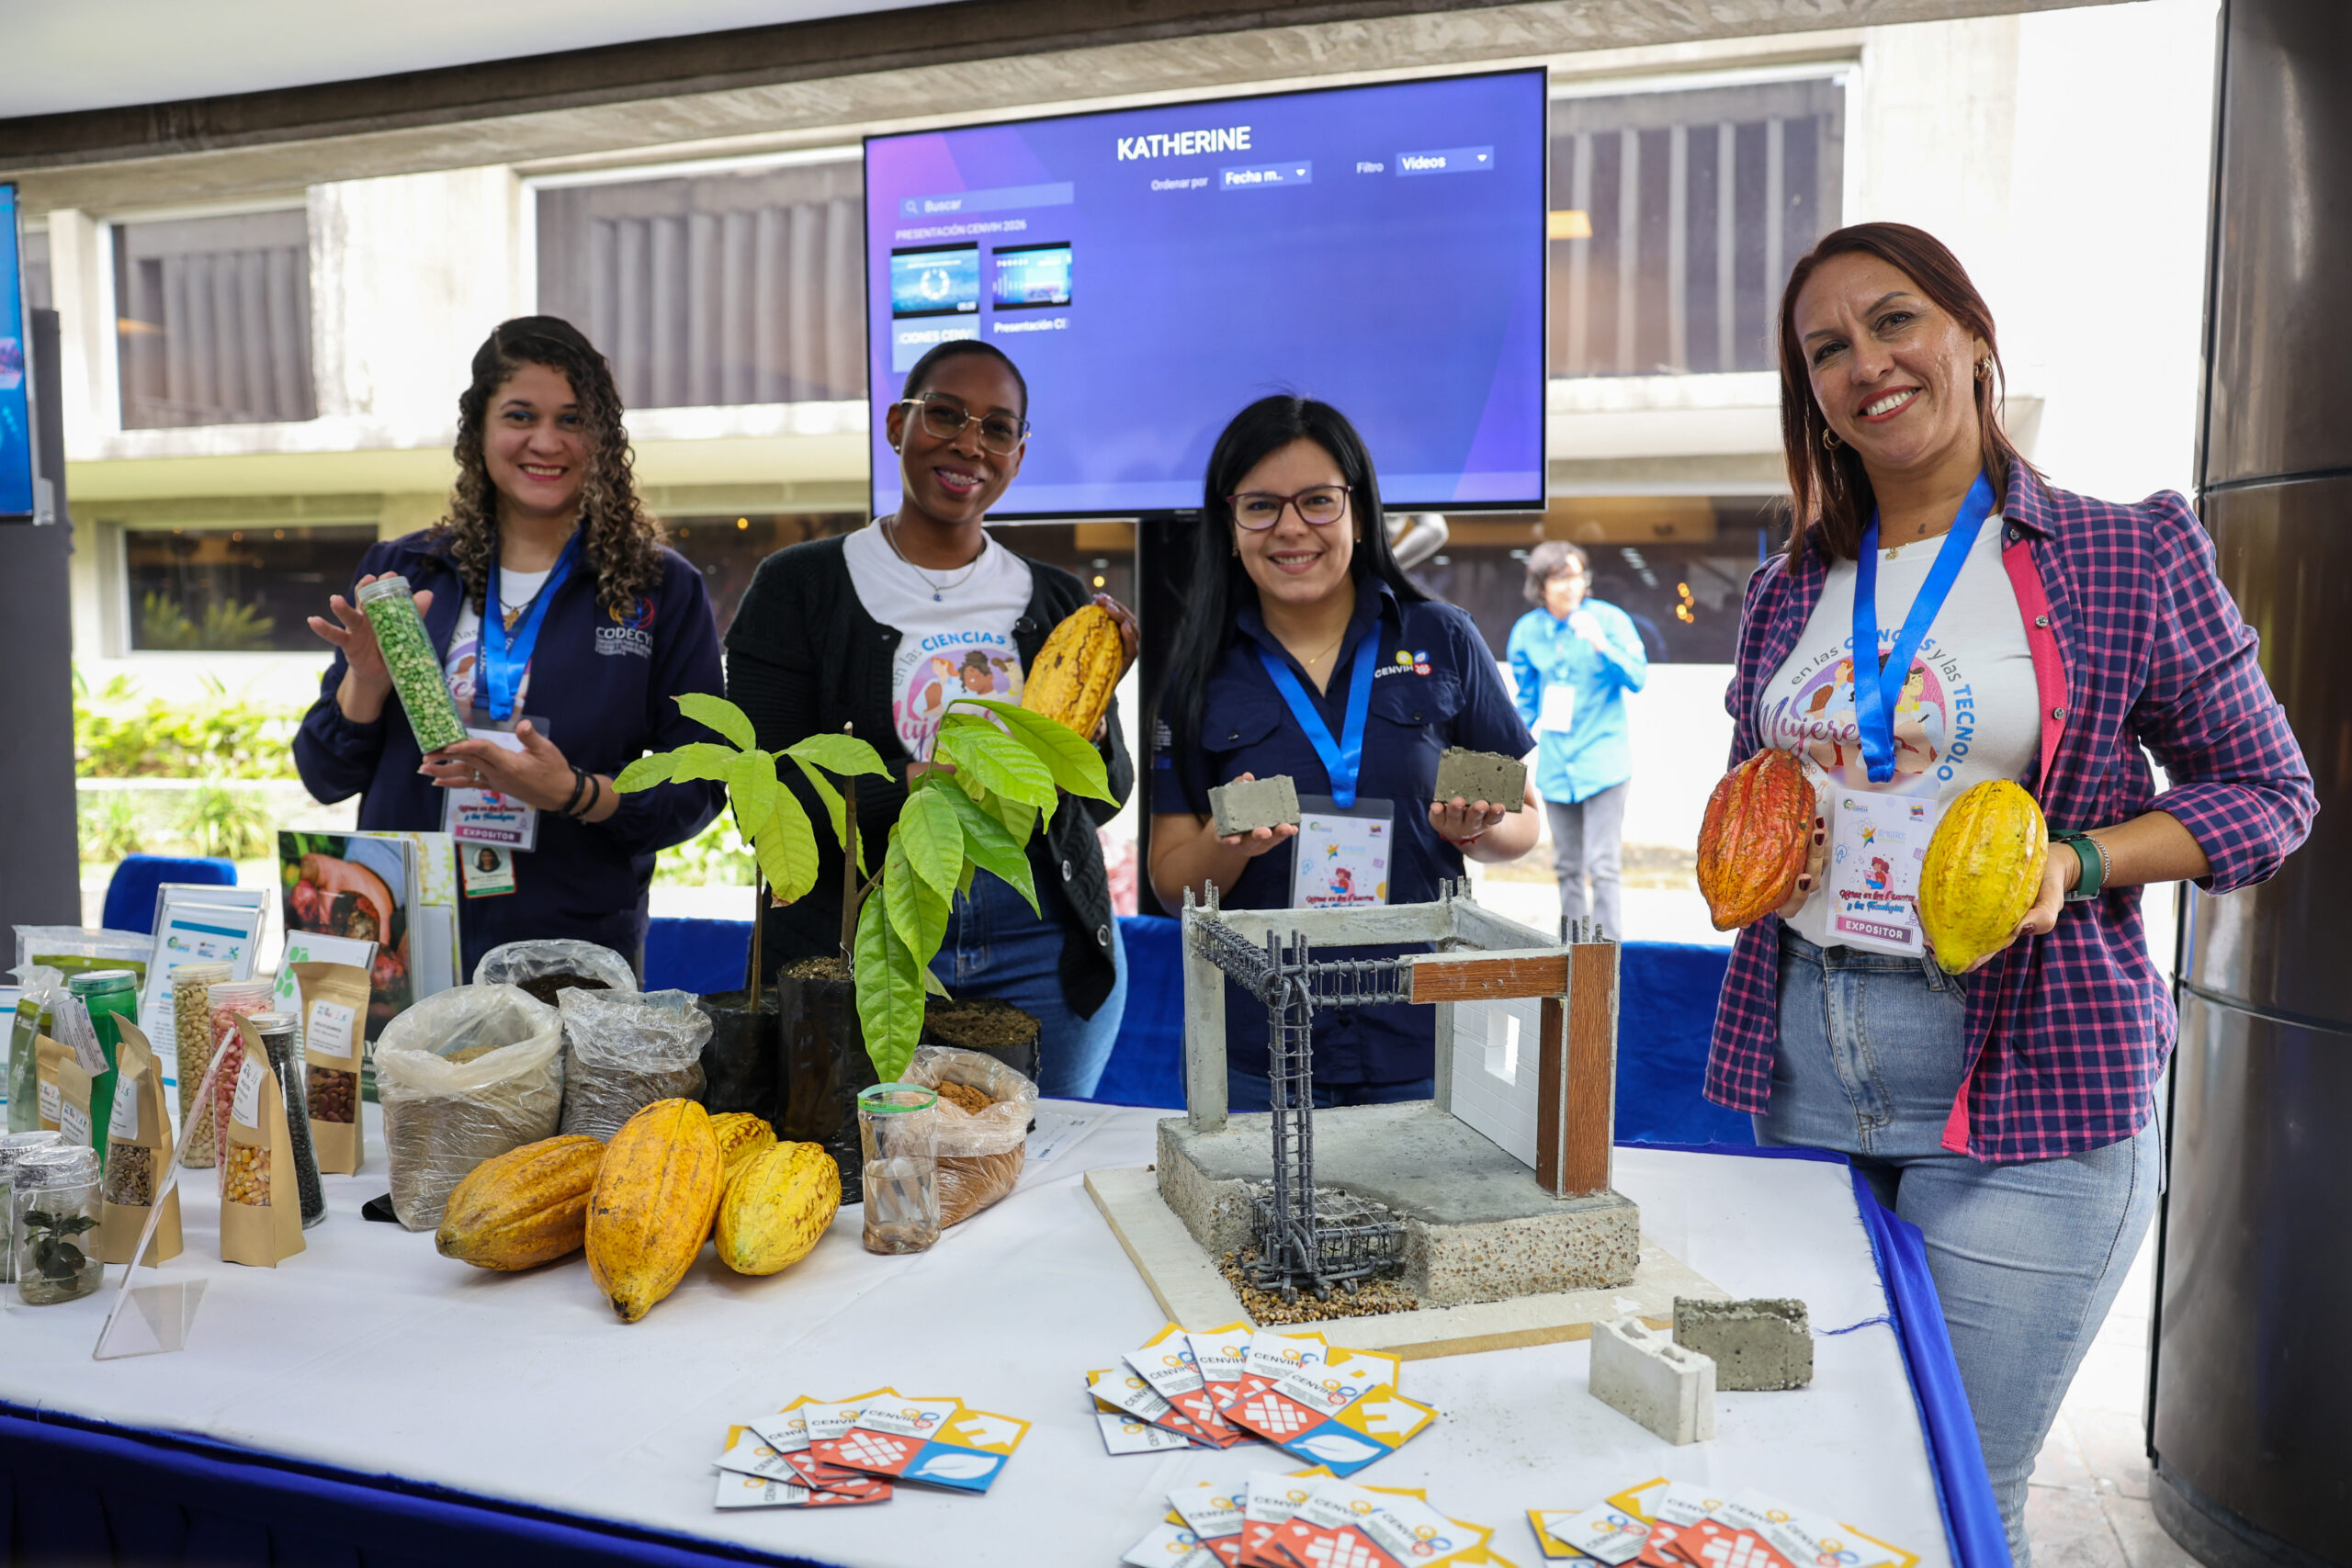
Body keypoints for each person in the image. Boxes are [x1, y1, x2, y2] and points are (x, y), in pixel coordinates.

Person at [1713, 222, 2312, 1561]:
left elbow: (2271, 793)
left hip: (2030, 1079)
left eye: (1895, 319)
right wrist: (1778, 840)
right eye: (1827, 348)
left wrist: (2079, 858)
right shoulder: (1787, 587)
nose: (1867, 362)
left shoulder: (2123, 552)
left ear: (1975, 336)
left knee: (1946, 1495)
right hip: (1808, 1065)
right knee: (1817, 1468)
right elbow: (1758, 783)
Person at [725, 341, 1136, 1099]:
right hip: (866, 944)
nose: (968, 444)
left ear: (1019, 453)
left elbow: (1101, 797)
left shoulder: (1057, 598)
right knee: (870, 1166)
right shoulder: (799, 587)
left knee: (1027, 1171)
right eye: (944, 414)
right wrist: (926, 780)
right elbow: (769, 789)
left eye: (998, 428)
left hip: (1037, 941)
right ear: (896, 424)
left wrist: (1093, 721)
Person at [295, 316, 727, 972]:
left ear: (603, 438)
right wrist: (366, 684)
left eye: (573, 420)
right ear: (479, 431)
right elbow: (323, 775)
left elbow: (698, 784)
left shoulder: (661, 589)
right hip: (403, 942)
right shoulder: (405, 571)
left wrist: (577, 792)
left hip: (567, 949)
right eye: (520, 415)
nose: (545, 442)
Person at [1148, 396, 1540, 1111]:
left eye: (1318, 501)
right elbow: (1173, 881)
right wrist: (1230, 841)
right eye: (1261, 505)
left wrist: (1480, 825)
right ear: (1230, 525)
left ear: (1358, 512)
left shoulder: (1443, 637)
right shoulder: (1200, 671)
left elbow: (1525, 819)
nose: (1292, 527)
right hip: (1255, 1055)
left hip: (1424, 1038)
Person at [1508, 541, 1646, 936]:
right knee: (1566, 868)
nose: (1572, 586)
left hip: (1604, 762)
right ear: (1540, 585)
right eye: (1560, 577)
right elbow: (1528, 701)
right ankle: (1571, 956)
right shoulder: (1527, 631)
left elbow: (1637, 677)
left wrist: (1601, 644)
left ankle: (1607, 959)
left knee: (1603, 867)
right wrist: (1506, 750)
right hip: (1557, 766)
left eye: (1577, 576)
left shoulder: (1610, 619)